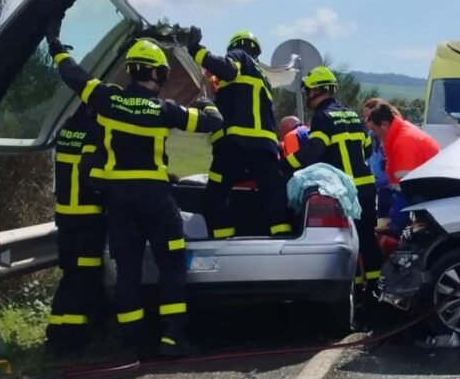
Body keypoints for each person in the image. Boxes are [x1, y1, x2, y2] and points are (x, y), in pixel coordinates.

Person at [47, 34, 222, 359]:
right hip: (157, 200)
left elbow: (74, 76)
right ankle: (173, 339)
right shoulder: (164, 110)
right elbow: (212, 122)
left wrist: (56, 48)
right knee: (171, 266)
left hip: (120, 202)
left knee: (128, 270)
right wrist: (207, 100)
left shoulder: (107, 100)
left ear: (131, 70)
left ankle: (133, 343)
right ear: (158, 74)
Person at [286, 66, 382, 301]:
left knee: (347, 244)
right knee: (367, 241)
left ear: (317, 90)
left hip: (343, 193)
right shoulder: (352, 115)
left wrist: (285, 164)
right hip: (367, 189)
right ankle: (375, 294)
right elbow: (367, 150)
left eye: (308, 90)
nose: (307, 95)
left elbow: (313, 152)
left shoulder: (322, 117)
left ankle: (355, 296)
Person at [185, 28, 291, 240]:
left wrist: (196, 50)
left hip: (235, 144)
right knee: (272, 195)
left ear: (235, 47)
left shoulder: (240, 57)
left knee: (217, 194)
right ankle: (282, 239)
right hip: (265, 148)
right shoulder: (263, 77)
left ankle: (223, 240)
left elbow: (228, 70)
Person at [46, 105, 106, 354]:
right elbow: (95, 176)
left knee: (71, 274)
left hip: (66, 216)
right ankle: (73, 336)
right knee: (85, 276)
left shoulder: (67, 130)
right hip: (87, 216)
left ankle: (57, 330)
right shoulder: (95, 133)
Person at [367, 103, 440, 241]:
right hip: (427, 196)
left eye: (374, 130)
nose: (374, 135)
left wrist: (395, 223)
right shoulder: (401, 135)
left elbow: (406, 189)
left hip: (426, 198)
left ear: (383, 125)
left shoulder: (403, 142)